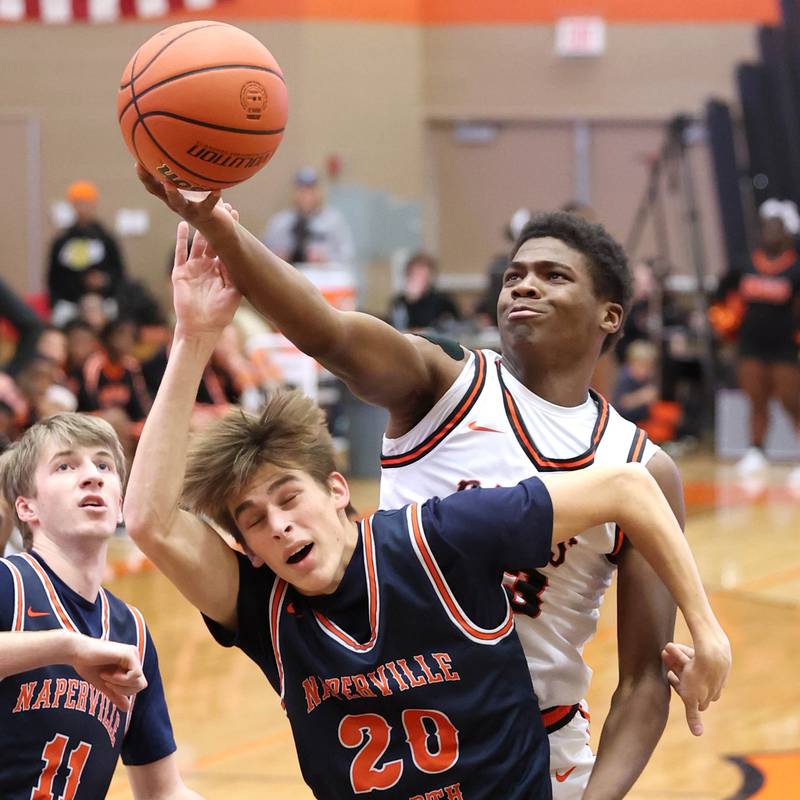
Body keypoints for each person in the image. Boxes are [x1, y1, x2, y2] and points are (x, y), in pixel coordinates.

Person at [135, 168, 714, 799]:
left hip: (535, 740)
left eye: (554, 275)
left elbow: (642, 683)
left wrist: (704, 630)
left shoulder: (640, 463)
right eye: (514, 274)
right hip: (388, 694)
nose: (524, 285)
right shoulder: (445, 384)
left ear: (610, 316)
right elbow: (323, 331)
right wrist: (215, 224)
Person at [0, 412, 202, 799]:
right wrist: (68, 646)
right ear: (28, 509)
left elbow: (163, 791)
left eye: (104, 465)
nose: (92, 475)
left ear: (121, 505)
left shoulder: (131, 632)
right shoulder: (10, 584)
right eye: (65, 465)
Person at [717, 199, 800, 480]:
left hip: (785, 347)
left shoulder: (795, 270)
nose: (771, 233)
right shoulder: (744, 264)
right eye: (767, 228)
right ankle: (756, 450)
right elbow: (721, 298)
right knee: (756, 398)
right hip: (750, 344)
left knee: (792, 400)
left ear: (787, 234)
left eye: (777, 228)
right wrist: (726, 329)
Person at [47, 181, 127, 326]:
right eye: (78, 203)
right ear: (72, 205)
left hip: (103, 300)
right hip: (70, 301)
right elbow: (53, 278)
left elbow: (119, 273)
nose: (83, 208)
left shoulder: (106, 239)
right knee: (59, 319)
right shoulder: (62, 241)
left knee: (116, 318)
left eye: (87, 203)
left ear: (94, 205)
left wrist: (105, 280)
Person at [262, 166, 355, 265]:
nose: (306, 195)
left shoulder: (334, 221)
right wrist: (277, 256)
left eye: (311, 189)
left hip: (322, 277)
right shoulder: (280, 222)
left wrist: (326, 259)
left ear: (319, 191)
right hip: (286, 277)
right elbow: (262, 255)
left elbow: (347, 256)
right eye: (301, 190)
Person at [388, 251, 461, 332]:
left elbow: (454, 326)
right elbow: (395, 327)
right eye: (415, 273)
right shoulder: (399, 301)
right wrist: (411, 301)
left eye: (423, 274)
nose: (419, 278)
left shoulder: (443, 300)